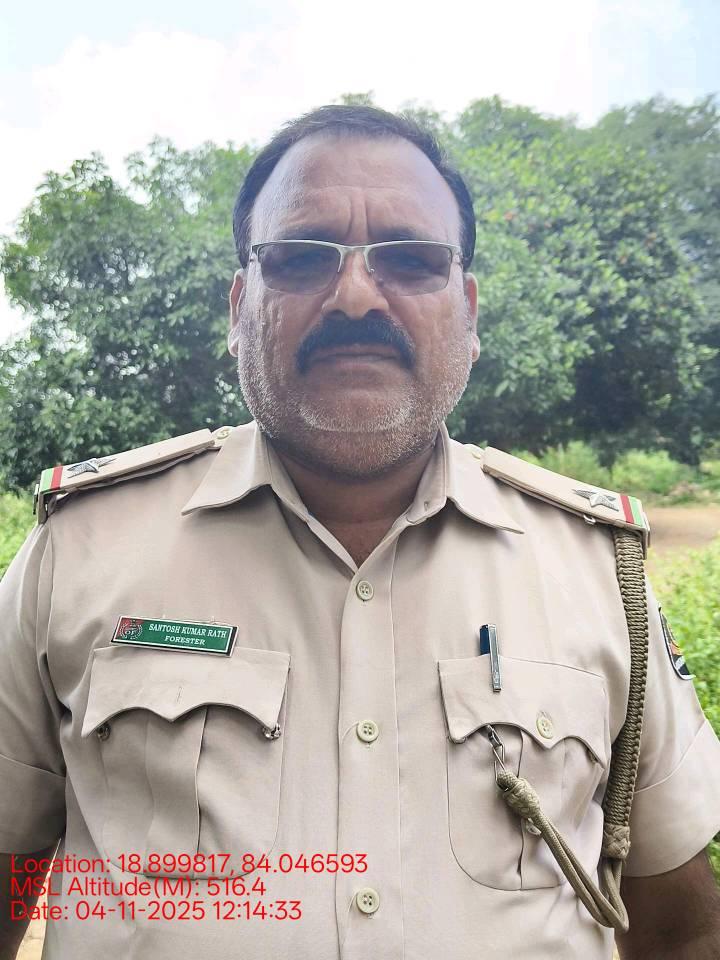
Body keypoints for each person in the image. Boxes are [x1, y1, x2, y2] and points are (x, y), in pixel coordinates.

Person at [1, 104, 719, 960]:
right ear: (239, 305)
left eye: (411, 259)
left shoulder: (596, 570)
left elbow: (676, 925)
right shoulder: (80, 551)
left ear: (469, 311)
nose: (354, 296)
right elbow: (11, 867)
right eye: (300, 258)